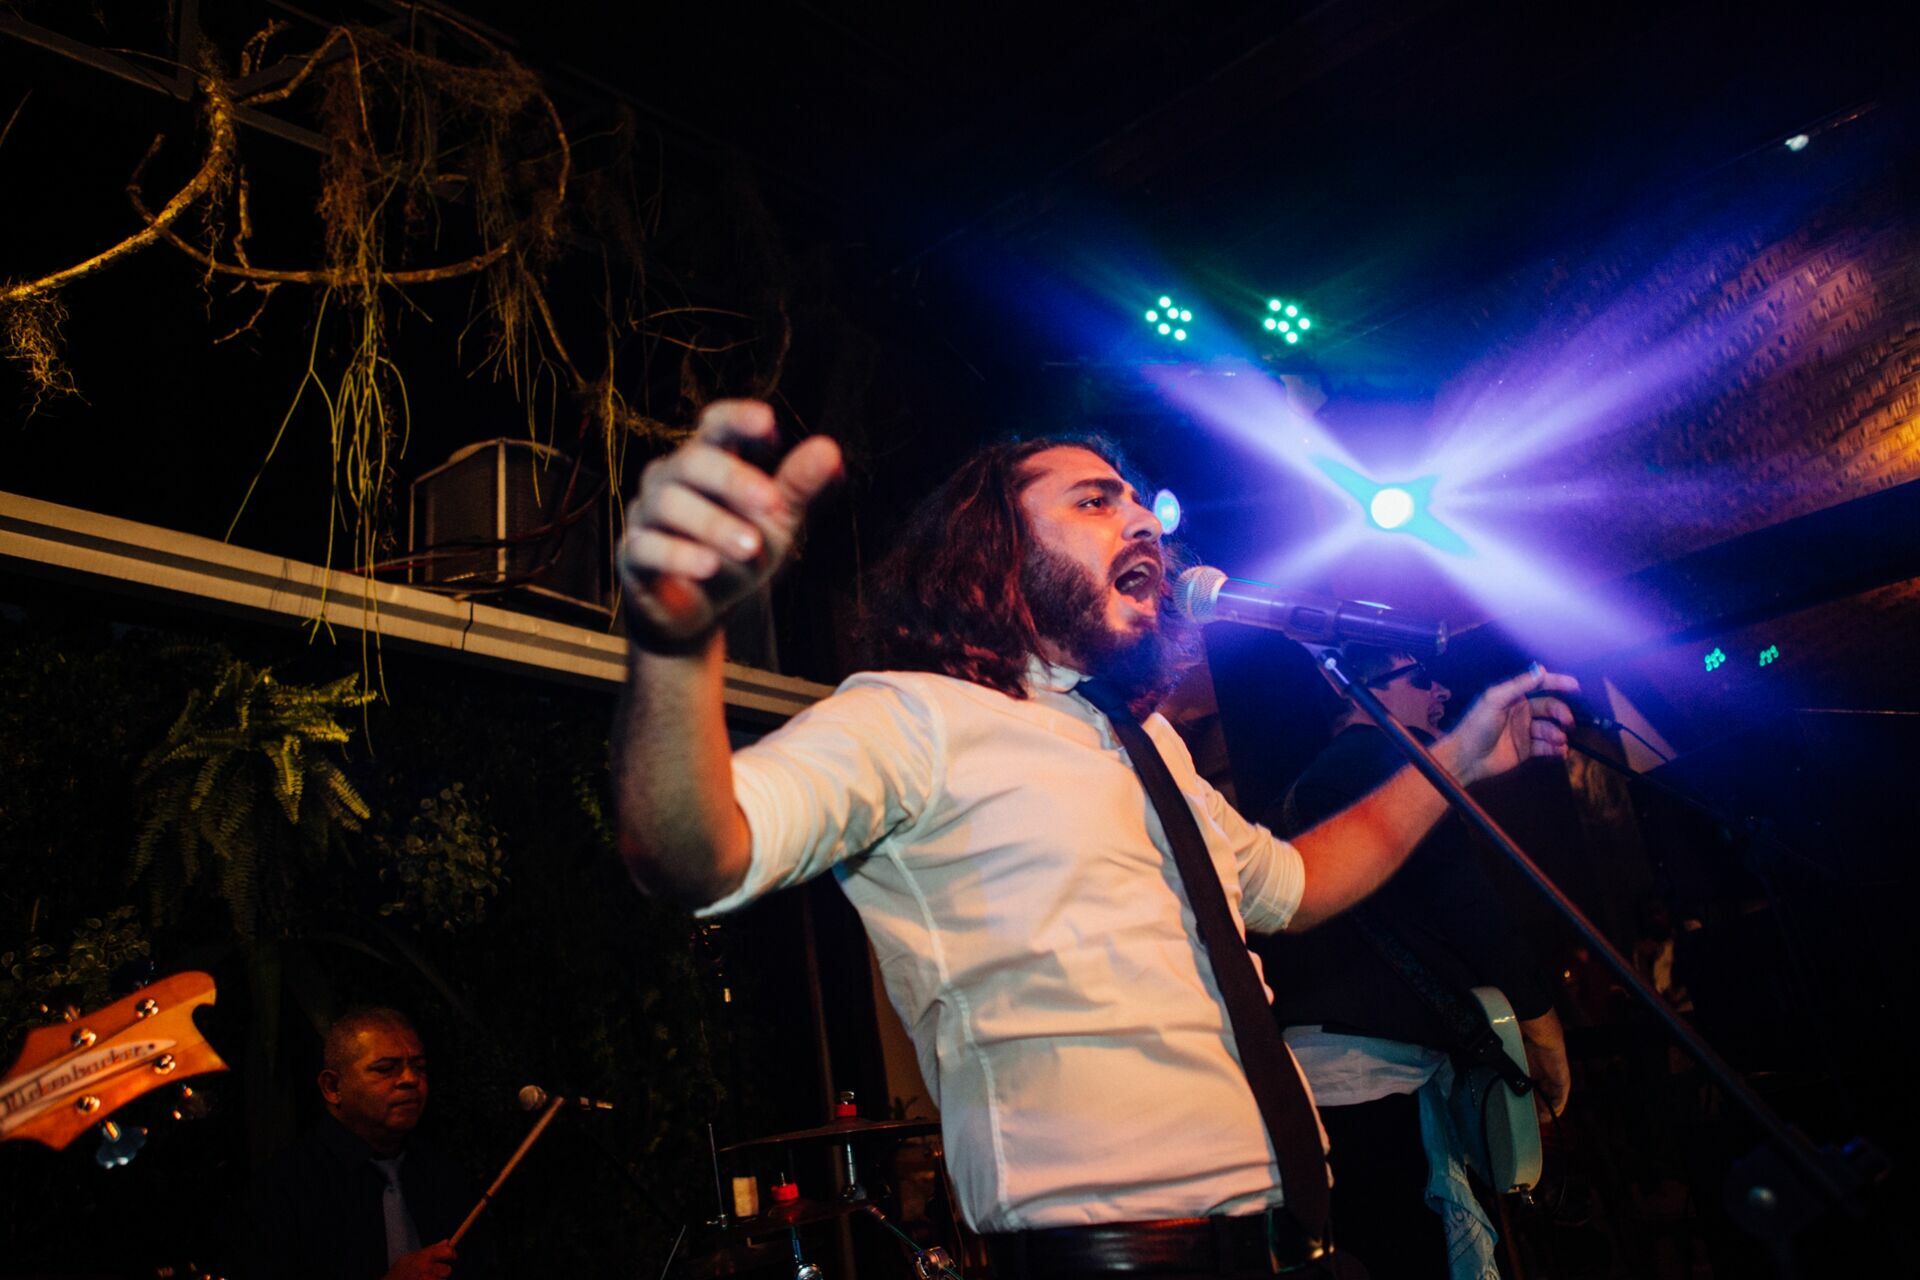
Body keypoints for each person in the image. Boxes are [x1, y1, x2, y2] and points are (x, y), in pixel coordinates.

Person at [611, 399, 1576, 1278]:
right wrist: (674, 645)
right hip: (1105, 1257)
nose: (1145, 521)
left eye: (1142, 507)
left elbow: (1295, 884)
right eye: (1095, 501)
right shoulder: (911, 716)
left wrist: (1451, 763)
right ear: (996, 549)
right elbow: (696, 852)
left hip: (1283, 1240)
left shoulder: (1146, 739)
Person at [1259, 646, 1571, 1279]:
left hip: (1314, 1093)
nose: (1442, 694)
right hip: (1382, 1084)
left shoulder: (1297, 793)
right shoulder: (1391, 770)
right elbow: (1473, 912)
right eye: (1421, 678)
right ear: (1357, 689)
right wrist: (1544, 1038)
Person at [246, 1008, 489, 1280]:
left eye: (419, 1068)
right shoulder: (285, 1186)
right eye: (386, 1069)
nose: (410, 1080)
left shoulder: (442, 1173)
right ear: (333, 1087)